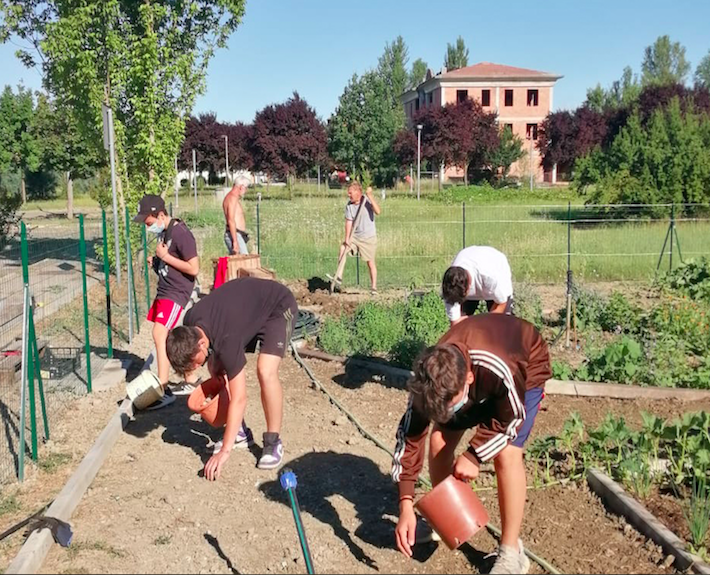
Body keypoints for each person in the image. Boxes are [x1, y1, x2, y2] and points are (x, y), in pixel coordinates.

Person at [392, 313, 551, 574]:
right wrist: (406, 504)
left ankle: (512, 552)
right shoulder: (429, 382)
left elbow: (510, 420)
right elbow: (410, 438)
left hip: (524, 368)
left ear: (467, 380)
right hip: (479, 381)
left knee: (506, 454)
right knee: (438, 441)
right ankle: (446, 521)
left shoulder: (498, 369)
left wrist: (475, 455)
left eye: (451, 405)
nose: (447, 412)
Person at [165, 277, 298, 479]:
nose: (195, 368)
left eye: (194, 363)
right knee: (214, 365)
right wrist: (212, 365)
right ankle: (240, 432)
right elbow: (212, 355)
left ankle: (273, 442)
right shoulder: (191, 321)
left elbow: (240, 398)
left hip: (278, 307)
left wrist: (224, 451)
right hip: (246, 312)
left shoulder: (227, 339)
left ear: (201, 344)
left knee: (265, 370)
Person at [134, 194, 199, 408]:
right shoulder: (165, 232)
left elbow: (193, 268)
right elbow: (169, 264)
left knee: (159, 334)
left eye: (149, 223)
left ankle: (163, 388)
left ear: (160, 214)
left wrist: (165, 258)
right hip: (164, 291)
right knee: (169, 337)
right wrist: (157, 264)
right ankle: (190, 380)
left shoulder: (181, 233)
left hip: (176, 292)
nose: (148, 227)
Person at [441, 246, 514, 326]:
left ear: (468, 288)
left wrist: (483, 325)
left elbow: (501, 304)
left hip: (495, 274)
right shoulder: (450, 287)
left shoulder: (491, 278)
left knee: (500, 325)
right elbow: (455, 323)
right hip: (474, 275)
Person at [336, 182, 381, 295]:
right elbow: (349, 222)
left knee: (370, 262)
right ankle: (339, 275)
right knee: (343, 248)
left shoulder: (366, 200)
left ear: (358, 193)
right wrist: (347, 238)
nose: (349, 195)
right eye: (348, 193)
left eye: (350, 193)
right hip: (355, 237)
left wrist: (370, 196)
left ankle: (374, 287)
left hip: (368, 237)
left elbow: (378, 211)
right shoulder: (349, 206)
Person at [223, 177, 250, 255]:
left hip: (237, 234)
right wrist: (235, 241)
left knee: (240, 263)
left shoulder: (233, 198)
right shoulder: (232, 198)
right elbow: (231, 220)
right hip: (234, 234)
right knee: (245, 262)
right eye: (246, 188)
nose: (246, 191)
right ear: (242, 187)